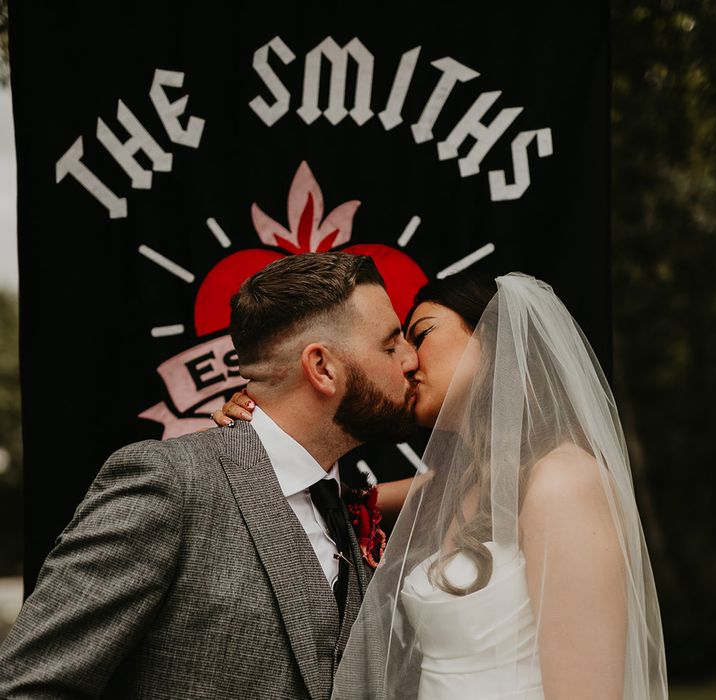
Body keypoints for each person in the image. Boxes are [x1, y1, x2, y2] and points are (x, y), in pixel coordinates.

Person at [218, 270, 668, 699]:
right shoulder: (448, 485)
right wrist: (265, 421)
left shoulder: (563, 480)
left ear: (494, 337)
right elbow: (321, 500)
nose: (408, 360)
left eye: (423, 335)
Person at [0, 252, 418, 699]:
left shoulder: (340, 504)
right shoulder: (169, 483)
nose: (411, 360)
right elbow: (35, 686)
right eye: (390, 346)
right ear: (321, 368)